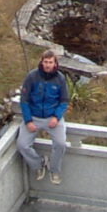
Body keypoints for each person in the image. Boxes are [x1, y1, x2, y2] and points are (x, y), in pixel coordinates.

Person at [17, 50, 69, 184]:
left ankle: (54, 169)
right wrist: (28, 120)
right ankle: (39, 164)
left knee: (60, 143)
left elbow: (64, 101)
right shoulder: (32, 77)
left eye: (50, 62)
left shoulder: (60, 78)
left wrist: (56, 117)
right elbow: (24, 100)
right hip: (34, 116)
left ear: (55, 63)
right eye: (45, 62)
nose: (47, 65)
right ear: (41, 62)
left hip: (52, 117)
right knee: (22, 145)